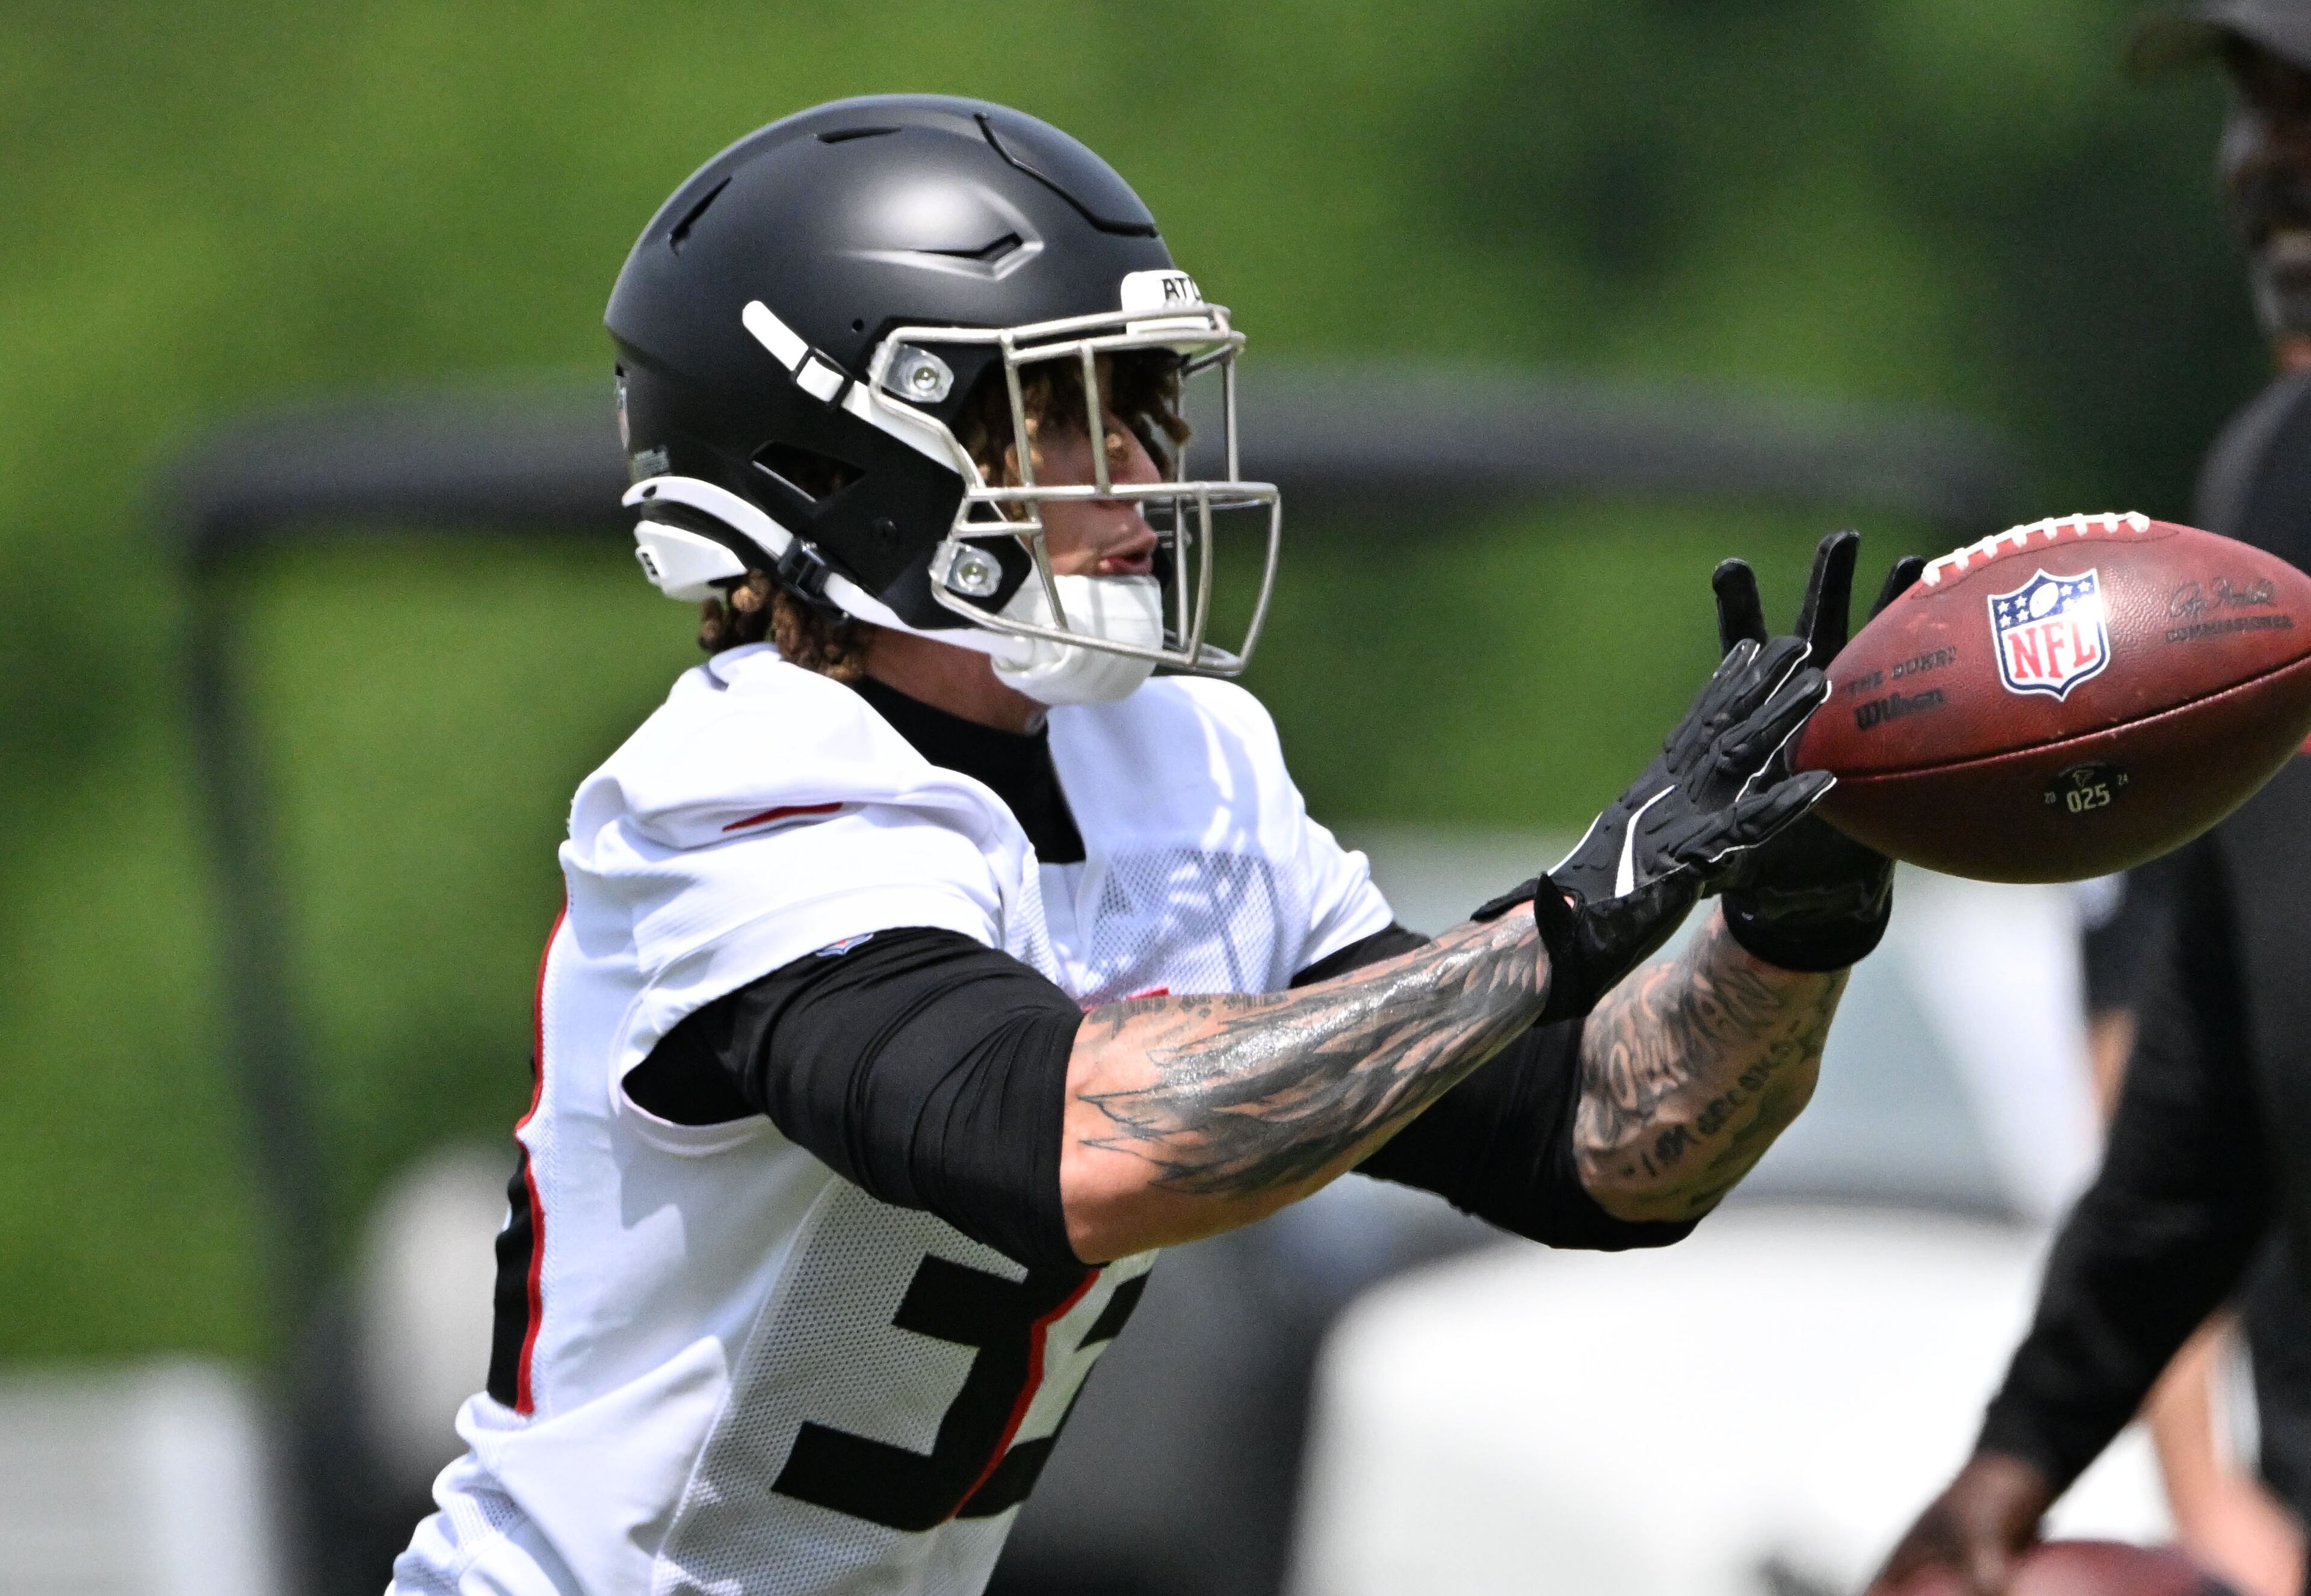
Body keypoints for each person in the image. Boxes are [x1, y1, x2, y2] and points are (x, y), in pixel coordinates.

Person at [388, 96, 1901, 1596]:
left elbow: (1596, 1152)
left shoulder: (1178, 760)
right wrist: (1563, 925)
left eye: (1143, 403)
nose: (1140, 471)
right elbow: (1083, 1148)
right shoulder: (735, 790)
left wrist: (1786, 928)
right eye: (1054, 413)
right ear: (833, 465)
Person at [1868, 8, 2311, 1593]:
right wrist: (2015, 1463)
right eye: (2250, 107)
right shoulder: (2266, 502)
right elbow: (2196, 1104)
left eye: (2305, 106)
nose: (2261, 156)